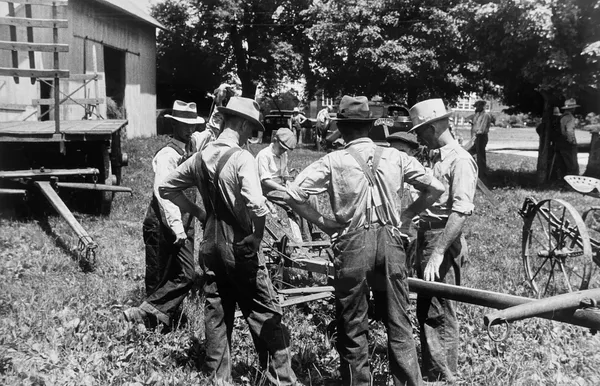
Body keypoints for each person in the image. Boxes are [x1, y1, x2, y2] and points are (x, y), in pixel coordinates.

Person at [284, 95, 445, 386]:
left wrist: (325, 223)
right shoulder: (396, 157)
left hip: (351, 243)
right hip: (391, 243)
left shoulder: (333, 161)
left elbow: (293, 195)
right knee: (398, 318)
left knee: (353, 321)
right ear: (369, 127)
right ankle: (410, 382)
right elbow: (436, 188)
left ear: (342, 130)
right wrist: (406, 215)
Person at [160, 97, 300, 386]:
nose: (252, 136)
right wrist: (257, 235)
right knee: (264, 310)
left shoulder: (199, 157)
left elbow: (166, 187)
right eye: (252, 129)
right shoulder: (242, 157)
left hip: (210, 246)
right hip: (239, 246)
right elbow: (257, 206)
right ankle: (281, 379)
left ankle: (217, 379)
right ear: (242, 124)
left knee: (217, 313)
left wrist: (200, 213)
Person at [408, 98, 478, 383]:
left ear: (436, 125)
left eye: (422, 129)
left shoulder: (460, 160)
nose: (419, 136)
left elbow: (461, 212)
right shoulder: (438, 158)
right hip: (428, 235)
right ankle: (434, 370)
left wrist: (438, 252)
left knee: (440, 311)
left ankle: (445, 376)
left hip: (442, 238)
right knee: (428, 307)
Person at [123, 100, 205, 329]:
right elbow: (163, 195)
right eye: (184, 124)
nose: (190, 129)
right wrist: (177, 227)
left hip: (184, 222)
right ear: (174, 125)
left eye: (192, 125)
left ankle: (148, 315)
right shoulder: (168, 155)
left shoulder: (192, 146)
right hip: (161, 223)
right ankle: (150, 326)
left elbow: (211, 134)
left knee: (186, 274)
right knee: (159, 275)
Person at [255, 127, 319, 241]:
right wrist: (285, 189)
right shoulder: (264, 155)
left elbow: (284, 174)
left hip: (281, 185)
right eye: (281, 148)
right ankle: (304, 240)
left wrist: (290, 184)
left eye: (285, 150)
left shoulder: (283, 155)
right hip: (267, 188)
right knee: (296, 204)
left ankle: (315, 233)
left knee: (311, 196)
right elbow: (265, 180)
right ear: (274, 140)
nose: (283, 152)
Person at [469, 99, 495, 178]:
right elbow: (475, 125)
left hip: (481, 136)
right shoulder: (477, 115)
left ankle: (482, 174)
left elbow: (482, 128)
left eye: (477, 106)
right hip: (475, 137)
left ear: (481, 106)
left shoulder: (485, 115)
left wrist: (477, 133)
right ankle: (474, 170)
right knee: (469, 152)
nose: (475, 108)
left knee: (480, 155)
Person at [557, 98, 580, 176]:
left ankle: (563, 181)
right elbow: (569, 131)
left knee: (564, 164)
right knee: (572, 165)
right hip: (568, 143)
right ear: (572, 108)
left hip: (560, 142)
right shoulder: (570, 118)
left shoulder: (561, 117)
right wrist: (572, 142)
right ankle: (572, 183)